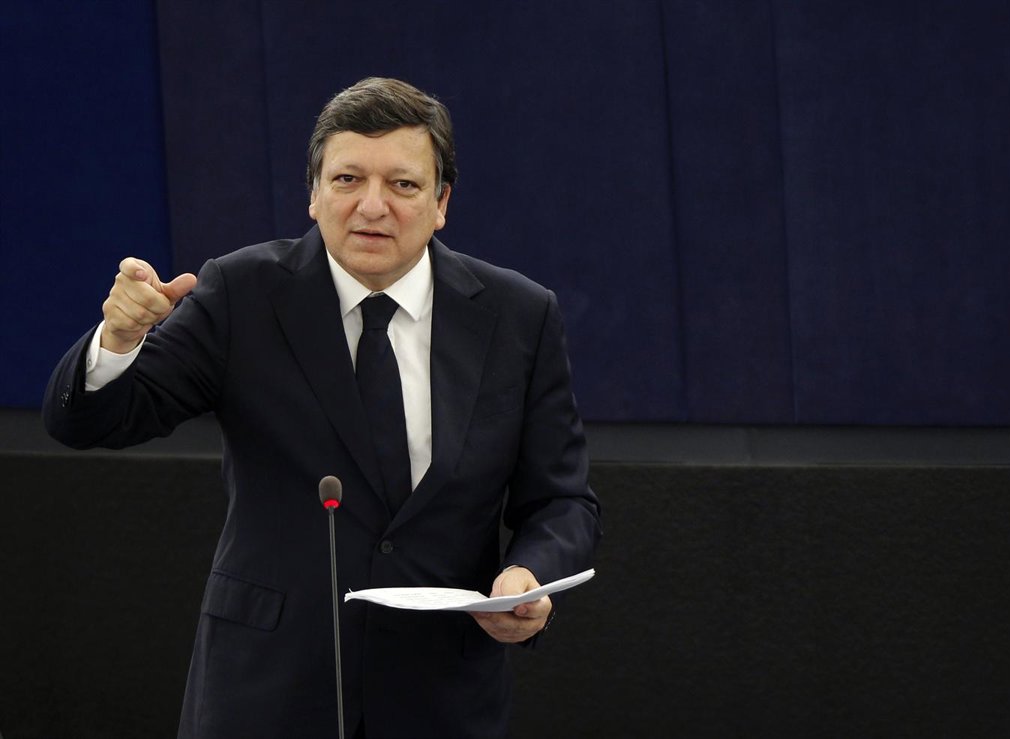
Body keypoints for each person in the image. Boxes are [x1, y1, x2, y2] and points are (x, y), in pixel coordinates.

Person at [43, 77, 601, 739]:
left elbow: (562, 500)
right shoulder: (242, 294)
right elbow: (90, 420)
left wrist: (530, 576)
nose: (372, 206)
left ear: (441, 202)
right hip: (267, 691)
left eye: (403, 184)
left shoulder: (519, 315)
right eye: (347, 179)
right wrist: (118, 340)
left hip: (442, 696)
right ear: (313, 193)